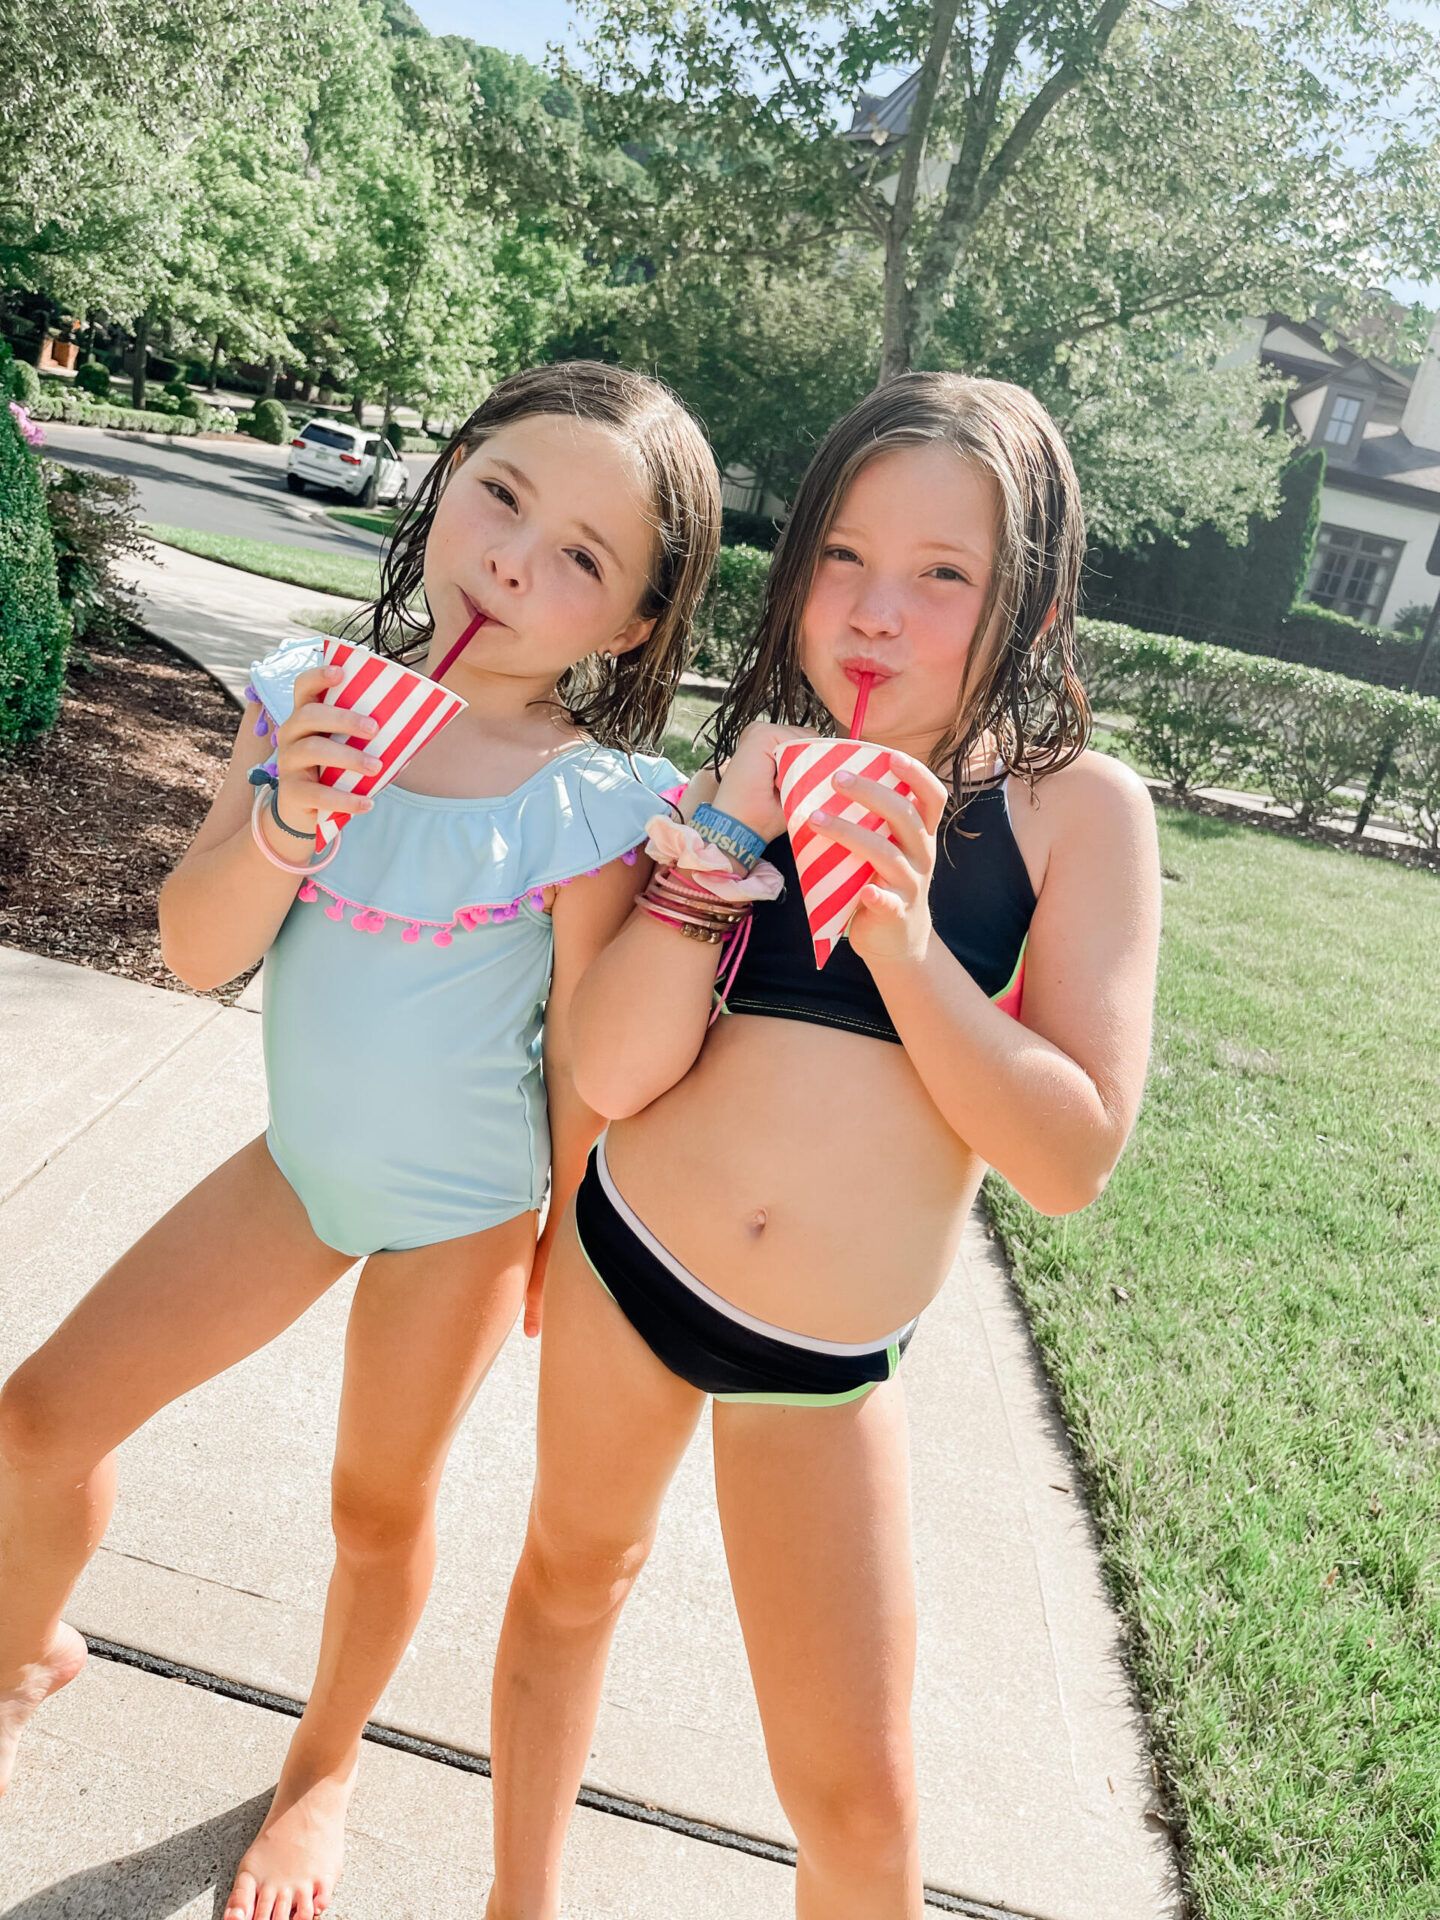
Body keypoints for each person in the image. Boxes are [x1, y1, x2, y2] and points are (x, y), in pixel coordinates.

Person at [0, 362, 720, 1920]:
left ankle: (322, 1769)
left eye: (585, 557)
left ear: (634, 627)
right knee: (38, 1421)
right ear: (448, 479)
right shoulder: (307, 696)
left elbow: (586, 1065)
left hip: (459, 1214)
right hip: (295, 1173)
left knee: (375, 1513)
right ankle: (22, 1654)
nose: (517, 559)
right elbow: (198, 950)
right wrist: (283, 820)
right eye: (502, 494)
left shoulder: (590, 802)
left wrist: (557, 1248)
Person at [485, 372, 1162, 1920]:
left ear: (1033, 612)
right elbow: (624, 1062)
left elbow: (1067, 1162)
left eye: (945, 576)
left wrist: (908, 940)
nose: (876, 611)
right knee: (572, 1581)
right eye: (844, 558)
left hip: (823, 1352)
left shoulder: (1073, 816)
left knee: (857, 1801)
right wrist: (726, 840)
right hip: (628, 1260)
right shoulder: (746, 780)